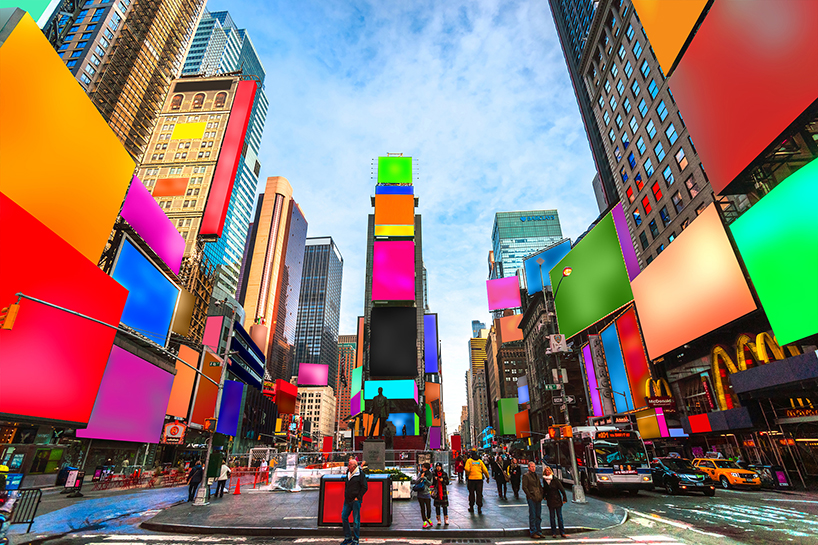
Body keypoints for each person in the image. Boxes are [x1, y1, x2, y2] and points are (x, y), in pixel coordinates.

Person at [341, 457, 368, 545]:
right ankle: (348, 537)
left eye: (349, 465)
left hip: (355, 500)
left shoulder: (360, 474)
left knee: (356, 520)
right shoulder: (348, 473)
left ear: (354, 466)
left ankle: (356, 540)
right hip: (348, 499)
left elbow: (364, 487)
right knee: (344, 516)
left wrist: (358, 497)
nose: (348, 466)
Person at [543, 465, 568, 538]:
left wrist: (564, 498)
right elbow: (545, 489)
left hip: (557, 499)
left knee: (559, 517)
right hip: (550, 500)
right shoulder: (544, 480)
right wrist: (544, 496)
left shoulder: (555, 479)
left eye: (548, 471)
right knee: (552, 517)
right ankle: (554, 532)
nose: (547, 472)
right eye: (546, 471)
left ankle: (562, 532)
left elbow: (561, 489)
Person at [522, 461, 544, 539]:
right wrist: (530, 496)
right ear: (528, 467)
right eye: (531, 466)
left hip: (538, 497)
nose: (533, 468)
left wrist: (541, 494)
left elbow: (539, 486)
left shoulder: (536, 476)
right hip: (531, 498)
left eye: (534, 466)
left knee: (538, 515)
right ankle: (533, 531)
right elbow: (524, 487)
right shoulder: (526, 476)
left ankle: (539, 531)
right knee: (533, 515)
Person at [414, 462, 433, 528]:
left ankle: (428, 518)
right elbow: (416, 481)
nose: (422, 468)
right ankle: (424, 521)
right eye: (422, 467)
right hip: (420, 493)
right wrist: (420, 478)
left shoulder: (430, 474)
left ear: (427, 468)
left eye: (424, 467)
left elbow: (430, 483)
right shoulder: (420, 473)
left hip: (427, 493)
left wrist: (424, 478)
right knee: (422, 508)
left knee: (428, 508)